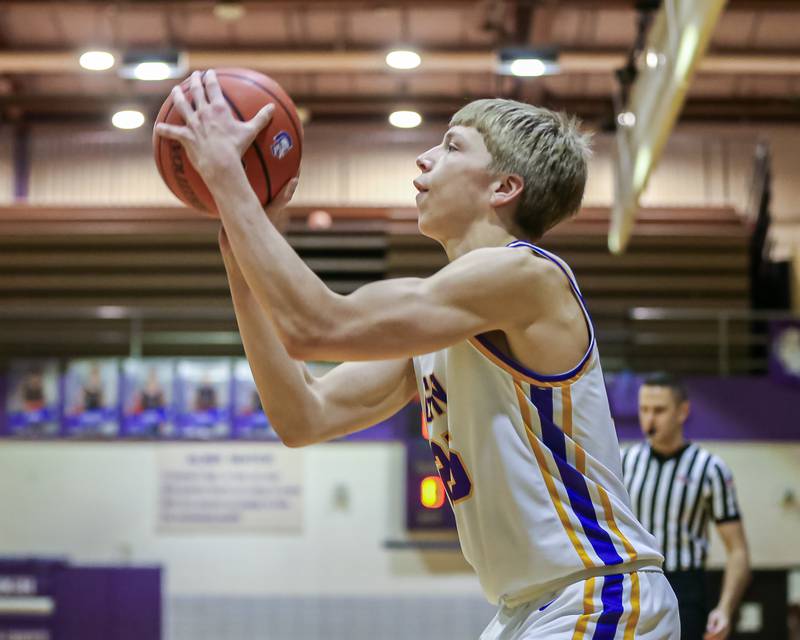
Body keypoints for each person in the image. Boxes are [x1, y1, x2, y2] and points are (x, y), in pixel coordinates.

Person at [156, 70, 679, 638]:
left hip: (599, 594)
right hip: (529, 608)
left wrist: (231, 181)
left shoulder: (526, 275)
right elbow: (302, 414)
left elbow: (316, 325)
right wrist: (239, 245)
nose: (423, 159)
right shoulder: (445, 318)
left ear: (504, 187)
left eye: (452, 146)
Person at [622, 373, 751, 640]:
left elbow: (738, 551)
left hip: (687, 587)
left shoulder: (709, 468)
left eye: (659, 410)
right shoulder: (624, 462)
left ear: (683, 412)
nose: (649, 419)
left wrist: (725, 609)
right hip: (635, 583)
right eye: (644, 409)